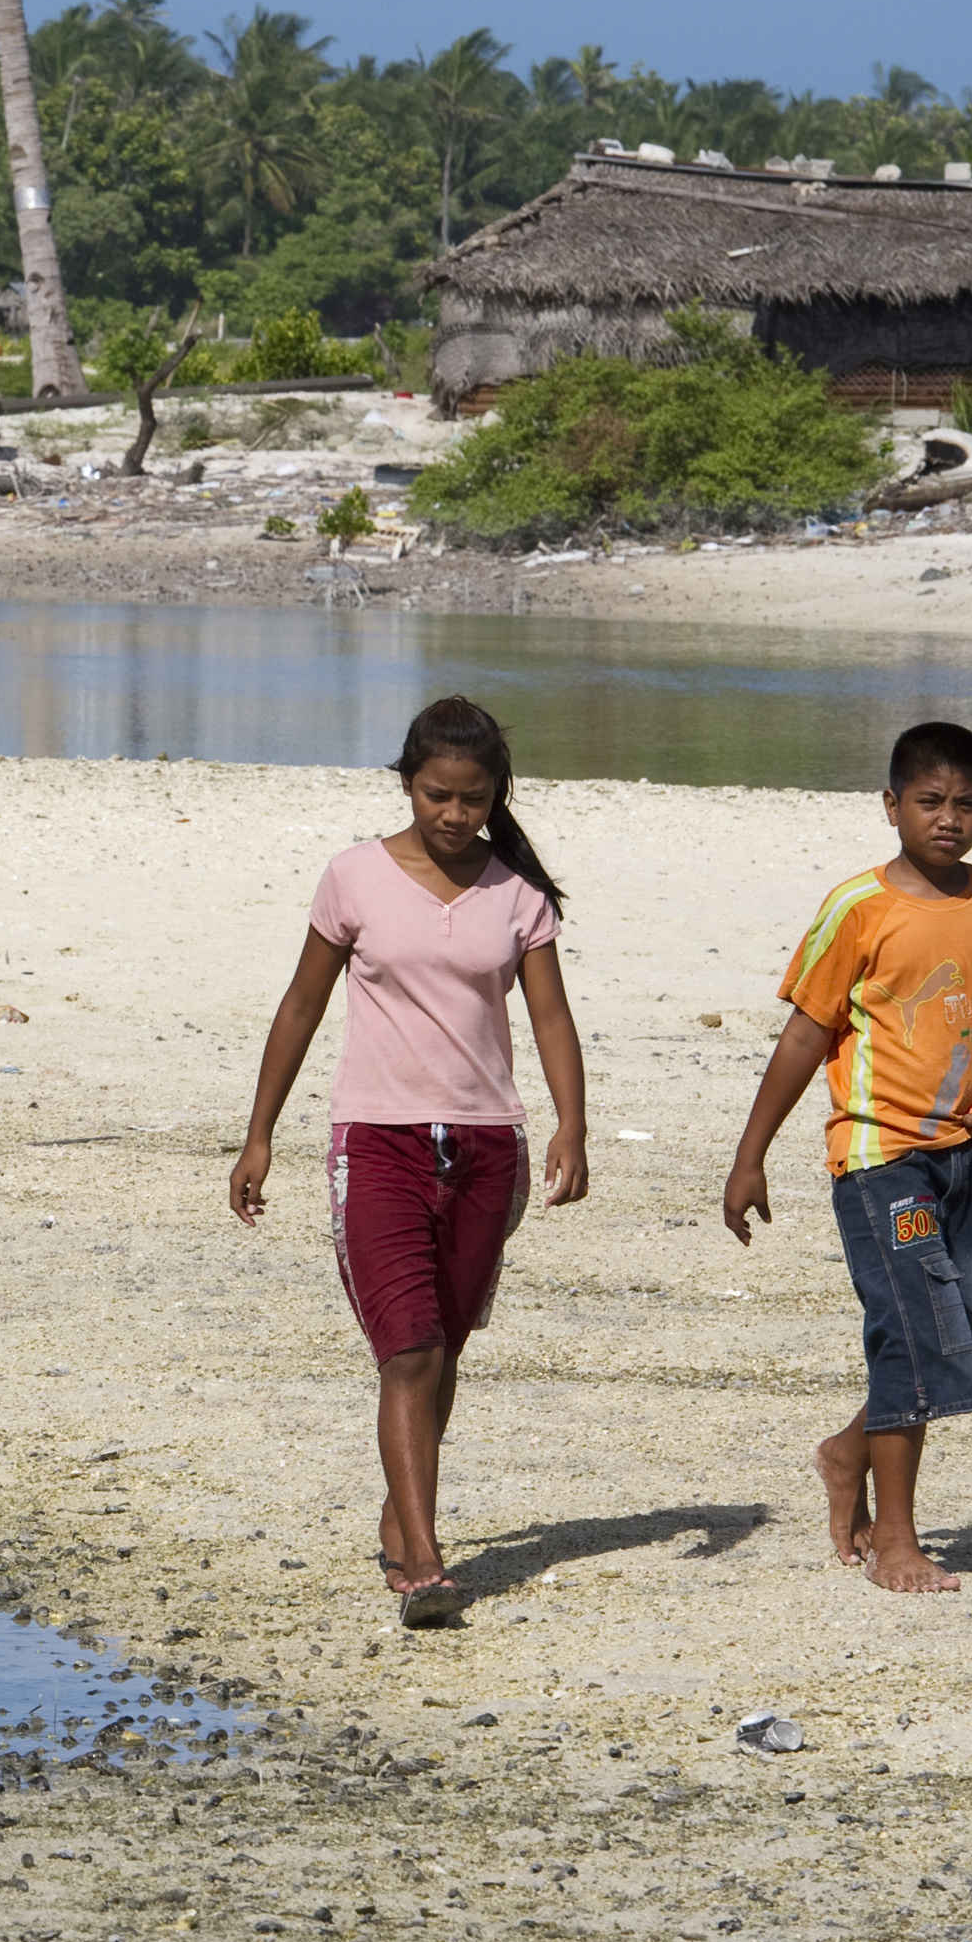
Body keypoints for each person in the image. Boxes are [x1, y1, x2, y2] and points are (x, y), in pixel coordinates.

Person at [229, 697, 591, 1626]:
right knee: (411, 1348)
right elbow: (301, 1005)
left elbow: (550, 1017)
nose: (455, 815)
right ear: (406, 783)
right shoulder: (352, 878)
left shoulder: (519, 895)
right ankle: (424, 1560)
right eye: (437, 795)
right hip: (376, 1142)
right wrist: (260, 1133)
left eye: (473, 799)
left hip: (485, 1148)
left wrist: (570, 1125)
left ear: (495, 796)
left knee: (447, 1346)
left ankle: (403, 1512)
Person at [722, 720, 972, 1595]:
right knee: (911, 1336)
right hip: (880, 1158)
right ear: (892, 805)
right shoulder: (858, 908)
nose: (949, 820)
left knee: (963, 1331)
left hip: (969, 1156)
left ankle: (846, 1451)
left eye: (966, 804)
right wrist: (751, 1155)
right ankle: (896, 1539)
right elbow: (803, 1036)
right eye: (930, 802)